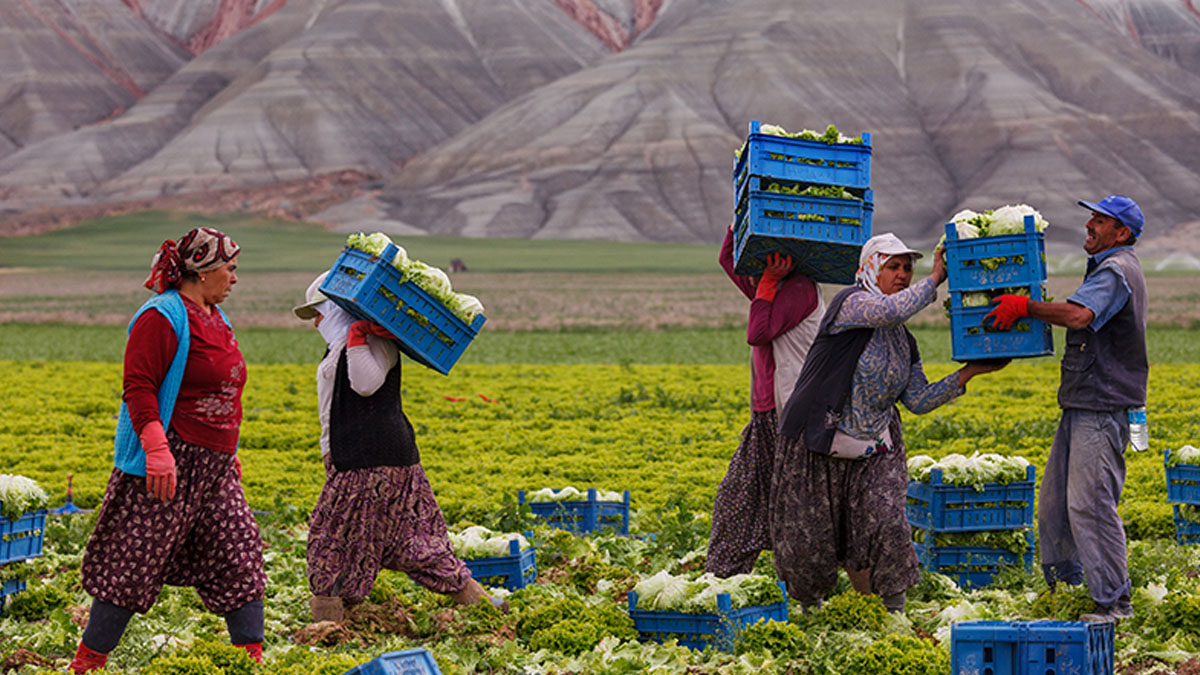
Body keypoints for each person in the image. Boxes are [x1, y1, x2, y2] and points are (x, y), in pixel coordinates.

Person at [770, 233, 1007, 612]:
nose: (902, 274)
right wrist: (935, 280)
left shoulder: (904, 341)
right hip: (819, 440)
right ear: (870, 269)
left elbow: (917, 400)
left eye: (908, 268)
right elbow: (888, 311)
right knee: (810, 539)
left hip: (874, 447)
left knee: (888, 522)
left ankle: (894, 612)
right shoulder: (849, 304)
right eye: (893, 267)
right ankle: (809, 612)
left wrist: (970, 373)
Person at [71, 228, 265, 673]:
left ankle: (249, 664)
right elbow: (139, 387)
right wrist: (157, 450)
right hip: (168, 464)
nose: (235, 279)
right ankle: (86, 664)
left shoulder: (217, 317)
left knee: (240, 555)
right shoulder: (162, 315)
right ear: (202, 270)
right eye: (230, 269)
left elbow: (222, 391)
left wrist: (227, 450)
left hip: (214, 469)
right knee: (131, 563)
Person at [293, 272, 503, 622]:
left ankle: (327, 626)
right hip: (388, 457)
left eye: (318, 311)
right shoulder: (345, 343)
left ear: (335, 308)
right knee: (413, 539)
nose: (315, 321)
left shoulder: (367, 339)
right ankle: (480, 604)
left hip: (367, 461)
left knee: (329, 541)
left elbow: (364, 384)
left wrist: (358, 335)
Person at [985, 195, 1148, 622]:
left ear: (1122, 233)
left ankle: (1114, 603)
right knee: (1056, 506)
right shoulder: (1106, 267)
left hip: (1102, 405)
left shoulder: (1116, 271)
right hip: (1082, 402)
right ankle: (1069, 592)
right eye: (1091, 217)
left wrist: (1025, 307)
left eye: (1100, 220)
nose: (1089, 225)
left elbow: (1078, 316)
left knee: (1091, 505)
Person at [705, 225, 825, 577]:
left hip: (788, 414)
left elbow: (757, 332)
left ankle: (804, 583)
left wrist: (770, 283)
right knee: (741, 496)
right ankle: (726, 576)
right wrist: (737, 217)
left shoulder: (800, 288)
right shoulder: (771, 288)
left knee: (782, 500)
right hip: (765, 414)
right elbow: (728, 260)